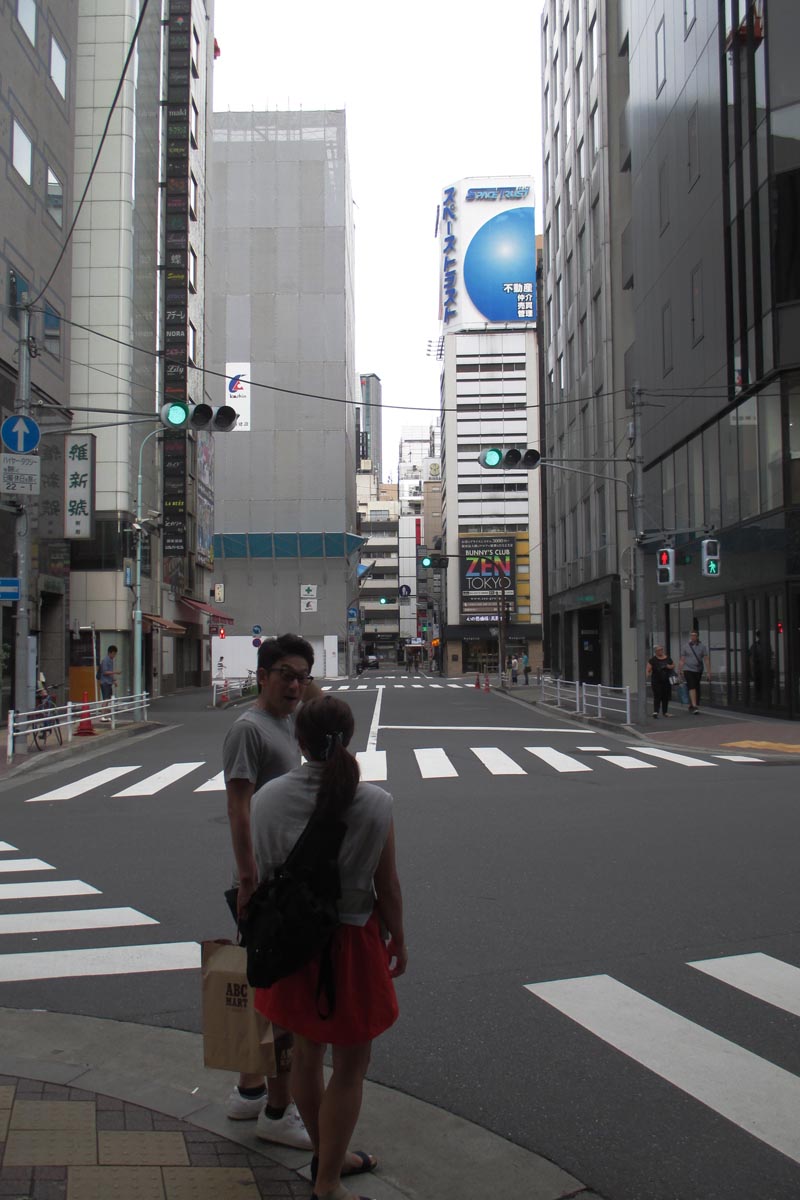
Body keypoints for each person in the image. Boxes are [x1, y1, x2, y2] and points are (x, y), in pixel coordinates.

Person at [251, 697, 406, 1200]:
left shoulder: (267, 799)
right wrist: (398, 936)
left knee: (306, 1055)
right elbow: (388, 885)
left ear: (299, 741)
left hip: (293, 942)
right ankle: (329, 1180)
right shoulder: (374, 803)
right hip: (353, 941)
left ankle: (326, 1161)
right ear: (351, 738)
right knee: (351, 1065)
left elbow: (264, 872)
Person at [222, 634, 321, 1148]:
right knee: (279, 996)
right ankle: (279, 1114)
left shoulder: (290, 720)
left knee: (262, 989)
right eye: (285, 673)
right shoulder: (248, 730)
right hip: (266, 885)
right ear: (261, 675)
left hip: (284, 880)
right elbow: (238, 808)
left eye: (302, 674)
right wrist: (247, 880)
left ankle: (249, 1090)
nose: (296, 683)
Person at [679, 629, 711, 714]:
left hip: (698, 669)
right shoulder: (685, 646)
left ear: (697, 636)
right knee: (691, 685)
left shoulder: (702, 647)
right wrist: (680, 670)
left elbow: (706, 659)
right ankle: (694, 706)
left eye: (694, 635)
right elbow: (682, 660)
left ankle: (692, 704)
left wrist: (708, 672)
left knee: (696, 686)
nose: (693, 637)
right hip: (688, 669)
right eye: (691, 635)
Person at [646, 645, 675, 718]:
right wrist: (646, 675)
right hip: (656, 680)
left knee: (665, 696)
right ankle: (656, 711)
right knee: (657, 695)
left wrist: (669, 666)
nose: (660, 651)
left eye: (661, 650)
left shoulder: (667, 658)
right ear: (655, 652)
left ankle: (665, 712)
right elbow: (648, 669)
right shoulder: (653, 660)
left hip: (666, 680)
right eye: (658, 650)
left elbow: (673, 665)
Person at [99, 645, 119, 721]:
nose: (114, 656)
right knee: (106, 699)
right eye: (114, 654)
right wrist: (115, 673)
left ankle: (106, 716)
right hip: (105, 682)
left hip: (108, 682)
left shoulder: (110, 660)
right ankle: (103, 716)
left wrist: (114, 680)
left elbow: (109, 673)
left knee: (108, 699)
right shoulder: (105, 660)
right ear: (110, 653)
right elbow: (105, 672)